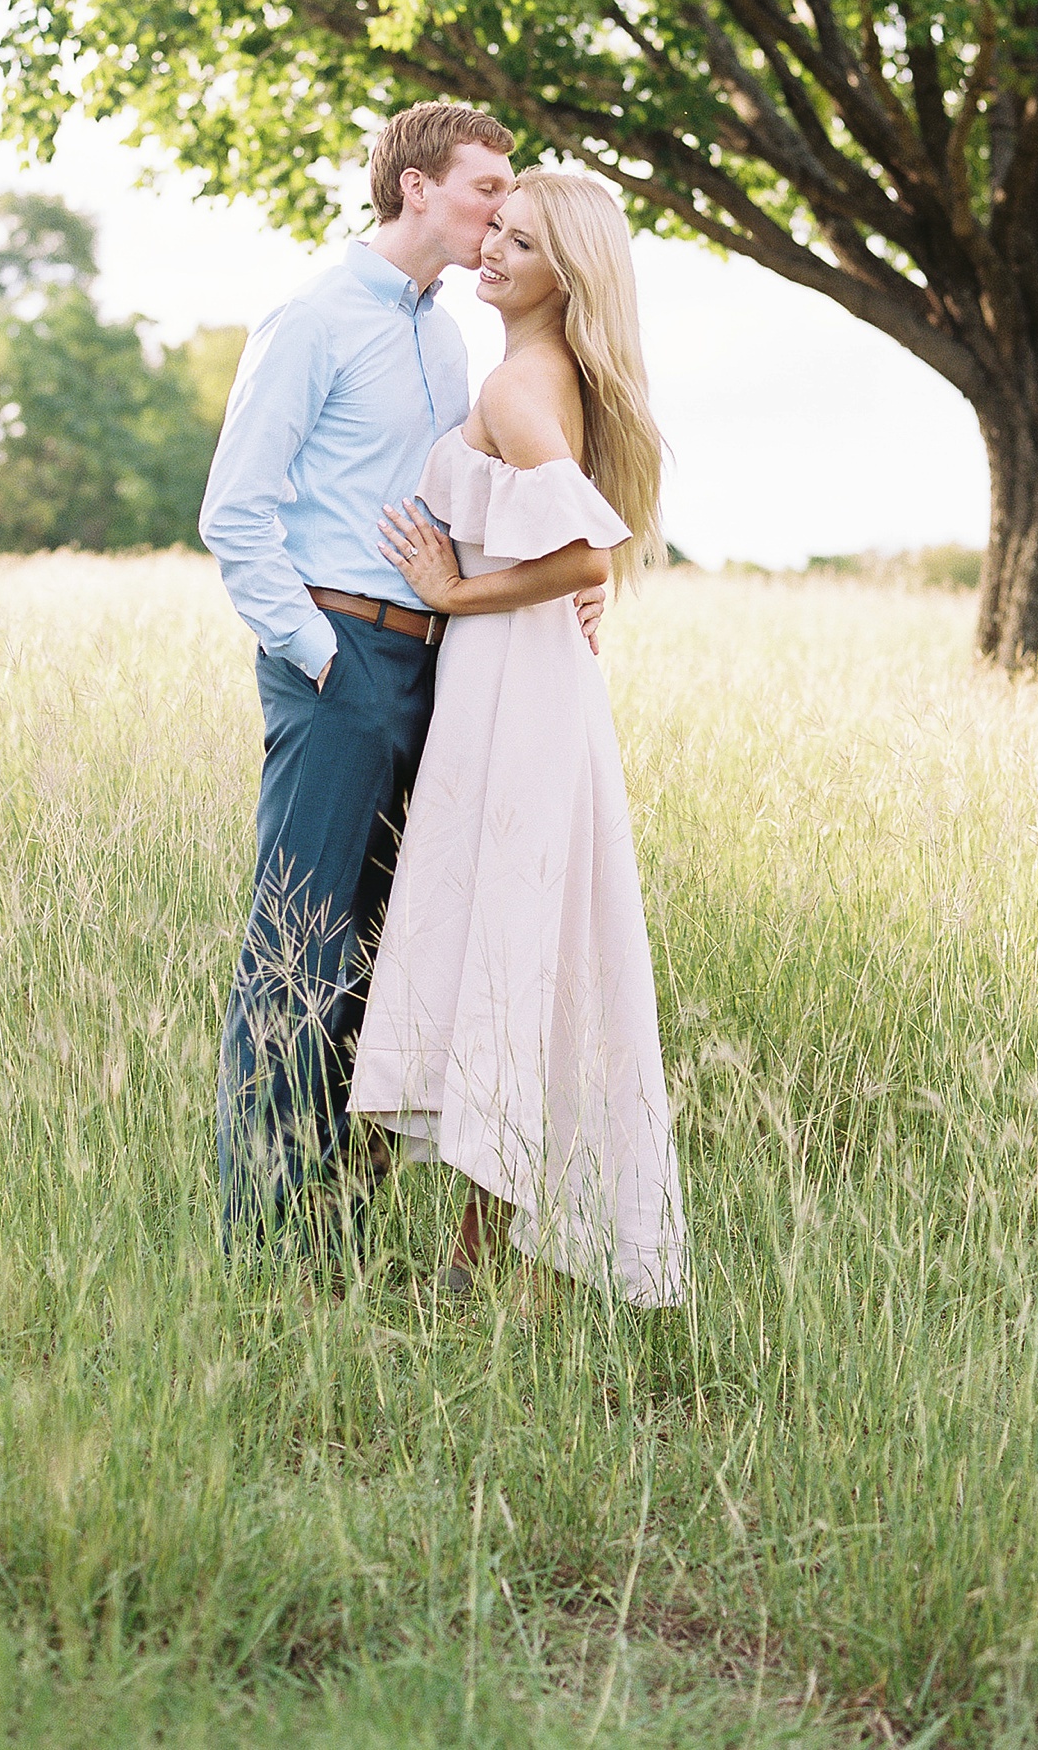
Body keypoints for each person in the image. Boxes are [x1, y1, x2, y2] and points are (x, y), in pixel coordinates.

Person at [199, 103, 605, 1251]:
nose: (497, 215)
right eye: (487, 189)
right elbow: (235, 514)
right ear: (418, 188)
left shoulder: (445, 336)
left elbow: (482, 504)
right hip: (340, 658)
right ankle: (268, 1239)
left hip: (437, 667)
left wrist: (582, 570)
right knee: (300, 947)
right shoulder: (315, 316)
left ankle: (337, 1219)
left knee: (385, 956)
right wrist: (325, 659)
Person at [348, 172, 687, 1307]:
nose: (492, 247)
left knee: (492, 941)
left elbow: (589, 553)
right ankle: (470, 1255)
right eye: (496, 224)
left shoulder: (519, 383)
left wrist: (452, 593)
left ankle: (433, 1248)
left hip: (515, 691)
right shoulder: (553, 377)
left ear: (565, 274)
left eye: (522, 240)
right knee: (509, 949)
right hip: (523, 685)